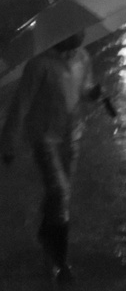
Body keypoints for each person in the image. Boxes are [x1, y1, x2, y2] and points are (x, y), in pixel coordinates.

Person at [2, 32, 117, 282]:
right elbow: (21, 104)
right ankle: (61, 261)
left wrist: (94, 93)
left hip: (71, 135)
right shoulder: (39, 66)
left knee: (59, 194)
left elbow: (84, 88)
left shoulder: (82, 57)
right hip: (45, 137)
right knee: (60, 192)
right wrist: (8, 142)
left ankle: (47, 235)